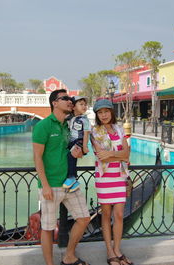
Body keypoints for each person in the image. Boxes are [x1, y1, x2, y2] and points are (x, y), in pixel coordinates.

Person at [32, 89, 91, 265]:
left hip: (70, 183)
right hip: (50, 184)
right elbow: (37, 157)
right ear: (54, 103)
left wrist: (78, 152)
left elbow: (72, 150)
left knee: (84, 218)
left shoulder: (69, 125)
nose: (70, 101)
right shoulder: (43, 126)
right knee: (48, 228)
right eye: (65, 98)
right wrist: (45, 185)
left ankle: (69, 256)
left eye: (70, 99)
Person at [91, 99, 133, 265]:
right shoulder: (95, 131)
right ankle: (110, 251)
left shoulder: (119, 129)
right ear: (97, 115)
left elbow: (126, 155)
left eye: (106, 111)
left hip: (119, 176)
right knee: (106, 215)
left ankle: (117, 249)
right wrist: (118, 154)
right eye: (100, 113)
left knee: (119, 215)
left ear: (111, 112)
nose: (104, 115)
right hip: (104, 178)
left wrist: (112, 154)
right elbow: (101, 155)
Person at [63, 96, 91, 192]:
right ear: (74, 107)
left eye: (85, 104)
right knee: (69, 158)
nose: (84, 106)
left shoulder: (84, 119)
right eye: (81, 104)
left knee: (71, 157)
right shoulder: (70, 118)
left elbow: (86, 133)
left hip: (79, 141)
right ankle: (74, 182)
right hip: (71, 142)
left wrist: (85, 146)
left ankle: (72, 177)